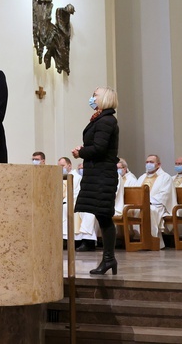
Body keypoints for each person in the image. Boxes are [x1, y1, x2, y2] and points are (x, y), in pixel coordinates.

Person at [72, 86, 120, 275]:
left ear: (105, 99)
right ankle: (109, 259)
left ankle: (109, 259)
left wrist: (80, 152)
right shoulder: (102, 119)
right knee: (102, 216)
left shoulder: (106, 120)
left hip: (102, 175)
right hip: (98, 173)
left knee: (104, 216)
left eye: (95, 95)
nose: (92, 98)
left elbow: (100, 148)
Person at [135, 154, 175, 248]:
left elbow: (165, 195)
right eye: (147, 162)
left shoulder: (165, 177)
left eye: (151, 162)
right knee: (131, 210)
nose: (148, 164)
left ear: (159, 164)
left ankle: (152, 240)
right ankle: (137, 239)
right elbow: (135, 192)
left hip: (158, 205)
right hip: (142, 204)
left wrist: (148, 201)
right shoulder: (142, 177)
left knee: (149, 210)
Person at [59, 157, 97, 251]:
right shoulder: (60, 177)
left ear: (69, 165)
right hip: (71, 201)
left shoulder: (76, 177)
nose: (60, 168)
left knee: (69, 208)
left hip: (78, 201)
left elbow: (76, 193)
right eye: (59, 166)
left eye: (62, 166)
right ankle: (65, 239)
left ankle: (83, 241)